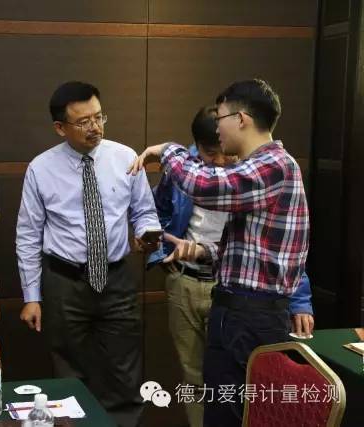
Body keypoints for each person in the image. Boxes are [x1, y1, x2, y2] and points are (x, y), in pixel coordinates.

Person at [130, 79, 310, 426]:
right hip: (238, 309)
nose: (218, 128)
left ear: (241, 119)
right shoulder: (266, 164)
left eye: (221, 118)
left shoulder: (273, 165)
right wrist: (201, 250)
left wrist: (166, 150)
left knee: (239, 414)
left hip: (251, 314)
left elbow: (205, 186)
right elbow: (252, 249)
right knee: (221, 408)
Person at [16, 81, 161, 427]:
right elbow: (28, 235)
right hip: (65, 282)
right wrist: (32, 296)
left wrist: (146, 232)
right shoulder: (41, 168)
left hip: (117, 278)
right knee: (69, 373)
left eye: (98, 117)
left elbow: (144, 211)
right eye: (83, 122)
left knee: (124, 372)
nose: (95, 127)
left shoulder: (125, 157)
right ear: (60, 127)